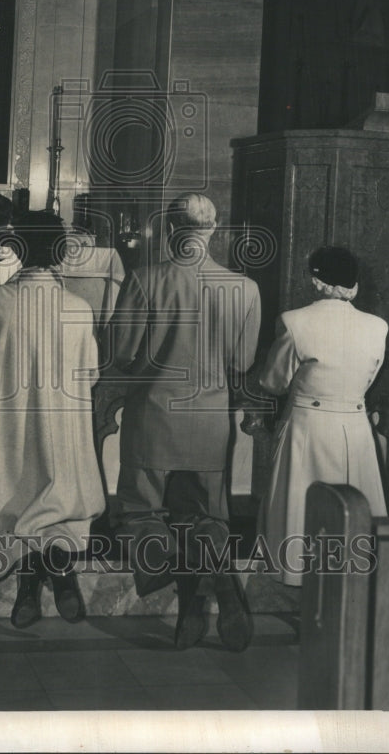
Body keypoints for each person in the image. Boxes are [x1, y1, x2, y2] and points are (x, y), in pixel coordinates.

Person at [110, 193, 261, 652]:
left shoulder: (144, 279)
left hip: (154, 418)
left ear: (172, 231)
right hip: (211, 421)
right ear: (214, 230)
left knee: (142, 514)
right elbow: (243, 361)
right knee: (210, 517)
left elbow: (120, 353)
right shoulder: (244, 288)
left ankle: (191, 608)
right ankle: (212, 584)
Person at [0, 211, 105, 629]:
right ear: (60, 253)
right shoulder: (78, 308)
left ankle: (30, 584)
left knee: (12, 491)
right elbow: (91, 374)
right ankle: (56, 566)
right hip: (60, 423)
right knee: (51, 492)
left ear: (18, 251)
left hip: (8, 425)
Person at [255, 245, 388, 587]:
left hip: (307, 428)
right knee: (353, 522)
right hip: (355, 430)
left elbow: (273, 383)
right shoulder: (378, 327)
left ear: (316, 281)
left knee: (301, 516)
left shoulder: (294, 321)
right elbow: (368, 378)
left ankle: (302, 590)